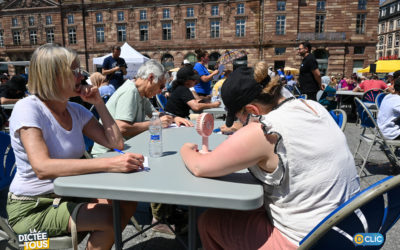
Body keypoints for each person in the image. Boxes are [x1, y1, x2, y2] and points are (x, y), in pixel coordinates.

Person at [180, 62, 360, 249]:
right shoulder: (313, 106)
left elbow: (200, 167)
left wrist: (186, 148)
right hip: (351, 227)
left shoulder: (265, 129)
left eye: (240, 117)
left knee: (210, 222)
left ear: (252, 111)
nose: (239, 123)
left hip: (310, 241)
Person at [6, 44, 141, 249]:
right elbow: (43, 168)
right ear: (53, 76)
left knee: (126, 202)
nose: (82, 77)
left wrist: (98, 102)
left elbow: (116, 143)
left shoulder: (76, 110)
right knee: (107, 218)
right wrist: (109, 164)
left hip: (67, 195)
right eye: (75, 71)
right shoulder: (28, 108)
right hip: (32, 210)